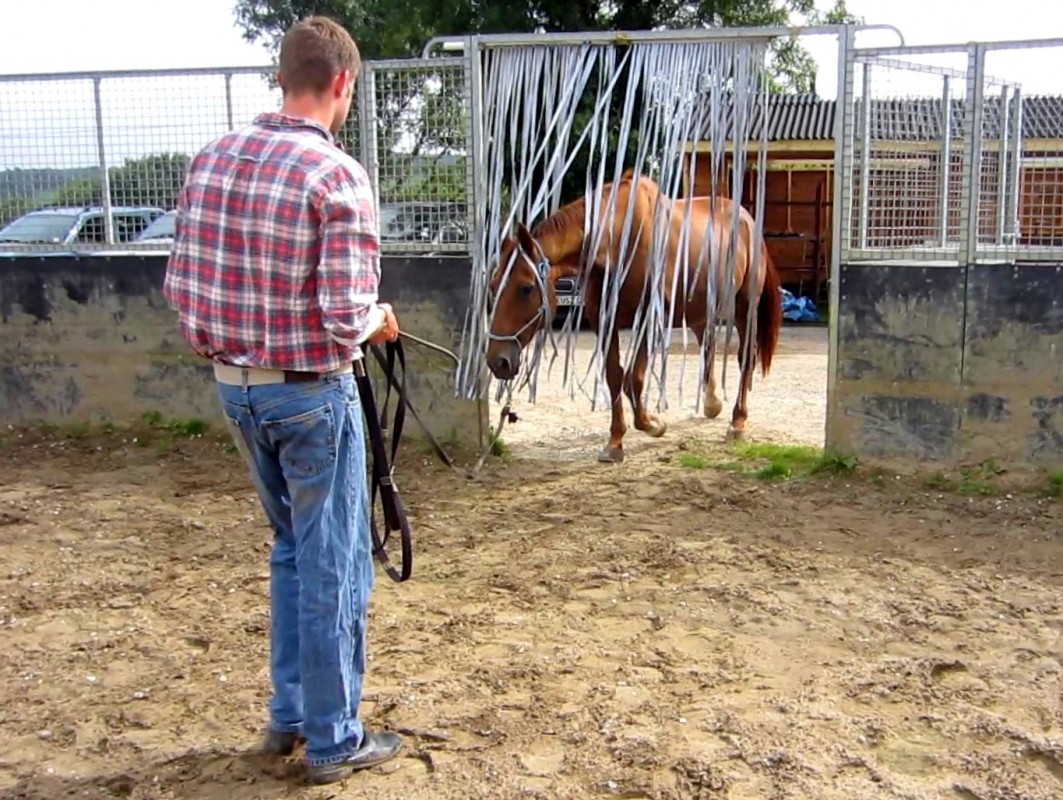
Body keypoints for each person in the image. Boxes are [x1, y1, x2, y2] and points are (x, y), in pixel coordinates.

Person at [163, 15, 403, 786]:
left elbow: (182, 290)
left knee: (293, 550)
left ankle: (289, 715)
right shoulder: (337, 176)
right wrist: (377, 319)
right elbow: (342, 318)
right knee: (332, 560)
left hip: (235, 390)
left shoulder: (214, 158)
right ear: (341, 83)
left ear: (281, 77)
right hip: (310, 398)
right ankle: (333, 738)